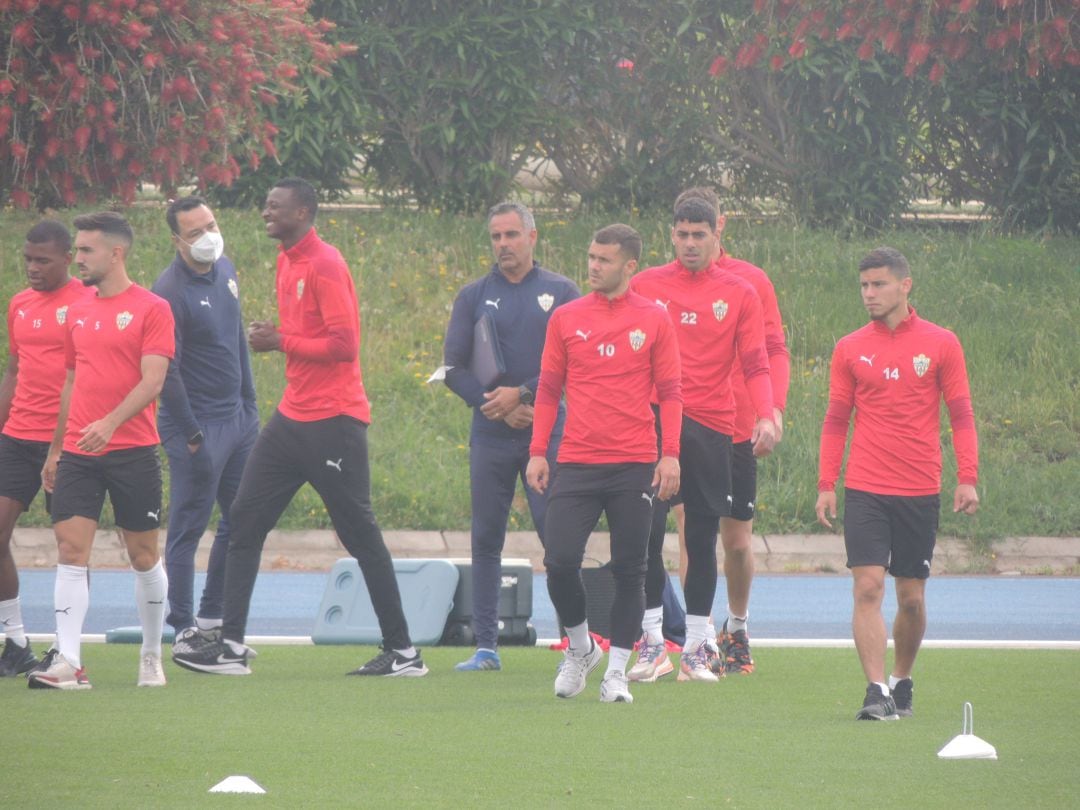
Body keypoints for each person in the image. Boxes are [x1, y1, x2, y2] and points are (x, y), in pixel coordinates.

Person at [172, 177, 426, 678]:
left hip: (334, 420)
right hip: (293, 417)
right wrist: (283, 339)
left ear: (304, 212)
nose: (267, 212)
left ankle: (403, 652)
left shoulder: (326, 264)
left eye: (276, 207)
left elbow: (344, 345)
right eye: (266, 205)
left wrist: (280, 341)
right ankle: (232, 647)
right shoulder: (286, 259)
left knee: (359, 533)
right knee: (244, 519)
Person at [815, 246, 979, 720]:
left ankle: (901, 679)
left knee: (911, 598)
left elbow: (961, 414)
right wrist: (828, 481)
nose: (869, 293)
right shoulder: (849, 346)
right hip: (865, 487)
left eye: (879, 284)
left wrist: (967, 477)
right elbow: (836, 419)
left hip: (919, 488)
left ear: (905, 285)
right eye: (864, 285)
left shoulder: (942, 342)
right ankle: (873, 690)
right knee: (867, 587)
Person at [526, 224, 682, 704]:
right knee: (559, 561)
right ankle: (579, 650)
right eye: (591, 257)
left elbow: (672, 392)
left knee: (631, 570)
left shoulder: (654, 319)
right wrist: (537, 450)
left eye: (604, 260)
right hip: (576, 461)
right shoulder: (567, 318)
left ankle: (616, 672)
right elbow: (549, 388)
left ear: (629, 265)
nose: (593, 266)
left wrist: (670, 453)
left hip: (634, 462)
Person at [639, 187, 790, 678]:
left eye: (698, 233)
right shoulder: (647, 284)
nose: (689, 242)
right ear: (671, 234)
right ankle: (679, 644)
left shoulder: (747, 285)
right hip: (662, 425)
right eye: (681, 234)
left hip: (728, 427)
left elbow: (766, 354)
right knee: (667, 530)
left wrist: (770, 411)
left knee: (736, 542)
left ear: (718, 229)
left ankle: (736, 627)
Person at [28, 212, 175, 690]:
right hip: (78, 452)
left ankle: (152, 655)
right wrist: (56, 448)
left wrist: (110, 424)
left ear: (116, 253)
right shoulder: (78, 310)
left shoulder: (153, 308)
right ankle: (69, 661)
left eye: (87, 250)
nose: (80, 258)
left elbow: (153, 380)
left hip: (133, 451)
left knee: (143, 556)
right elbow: (71, 379)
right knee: (71, 549)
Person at [442, 202, 578, 671]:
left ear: (532, 237)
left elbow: (574, 362)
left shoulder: (561, 291)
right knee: (486, 537)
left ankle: (574, 641)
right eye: (496, 236)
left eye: (511, 235)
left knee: (557, 536)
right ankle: (485, 647)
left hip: (548, 431)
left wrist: (522, 397)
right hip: (491, 434)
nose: (503, 245)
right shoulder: (473, 295)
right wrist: (493, 405)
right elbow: (452, 368)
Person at [152, 197, 260, 656]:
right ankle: (181, 627)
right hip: (194, 426)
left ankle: (213, 615)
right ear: (177, 240)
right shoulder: (168, 292)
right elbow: (167, 370)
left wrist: (250, 404)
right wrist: (192, 431)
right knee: (188, 528)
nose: (206, 237)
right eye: (194, 232)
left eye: (210, 225)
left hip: (237, 420)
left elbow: (235, 336)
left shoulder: (227, 268)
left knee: (243, 520)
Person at [0, 221, 89, 677]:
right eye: (27, 259)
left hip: (69, 442)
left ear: (67, 259)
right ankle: (14, 641)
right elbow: (14, 370)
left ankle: (66, 648)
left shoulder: (85, 303)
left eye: (43, 260)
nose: (33, 268)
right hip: (18, 437)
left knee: (70, 548)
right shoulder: (18, 304)